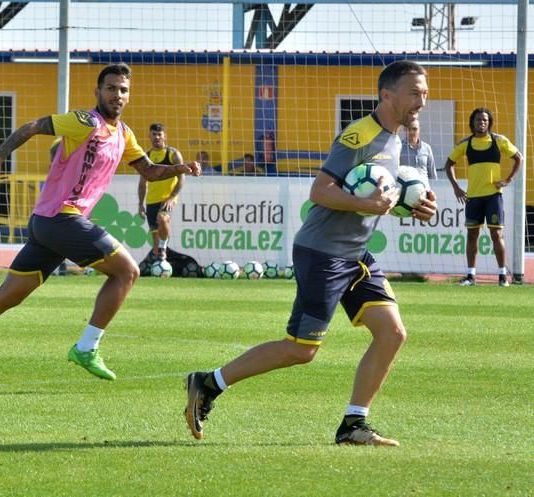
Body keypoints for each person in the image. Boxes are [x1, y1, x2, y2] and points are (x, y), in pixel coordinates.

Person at [184, 60, 436, 446]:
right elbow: (321, 191)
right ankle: (209, 382)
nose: (422, 100)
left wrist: (411, 203)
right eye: (414, 93)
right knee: (301, 350)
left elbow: (379, 188)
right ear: (387, 95)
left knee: (392, 332)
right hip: (323, 254)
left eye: (424, 92)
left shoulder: (395, 137)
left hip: (355, 255)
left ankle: (354, 424)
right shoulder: (359, 136)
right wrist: (368, 206)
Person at [0, 63, 201, 391]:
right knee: (127, 272)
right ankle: (86, 348)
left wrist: (180, 168)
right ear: (97, 92)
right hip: (60, 218)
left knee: (7, 296)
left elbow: (151, 171)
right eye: (111, 88)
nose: (117, 94)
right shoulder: (84, 122)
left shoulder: (124, 134)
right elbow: (31, 126)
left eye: (123, 90)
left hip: (51, 224)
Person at [445, 107, 523, 287]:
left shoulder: (499, 141)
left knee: (497, 234)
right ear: (472, 123)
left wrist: (508, 179)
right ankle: (470, 276)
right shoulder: (466, 144)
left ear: (489, 123)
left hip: (493, 197)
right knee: (472, 235)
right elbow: (449, 164)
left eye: (484, 120)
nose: (481, 122)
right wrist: (456, 187)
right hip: (473, 197)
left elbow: (519, 158)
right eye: (478, 120)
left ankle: (503, 276)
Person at [137, 123, 184, 260]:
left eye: (159, 134)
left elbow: (182, 178)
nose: (157, 137)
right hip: (151, 200)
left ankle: (163, 247)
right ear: (149, 136)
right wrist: (140, 204)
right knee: (156, 245)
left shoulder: (173, 154)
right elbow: (142, 183)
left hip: (167, 199)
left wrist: (172, 197)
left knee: (162, 218)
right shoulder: (146, 156)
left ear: (165, 136)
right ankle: (161, 266)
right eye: (154, 134)